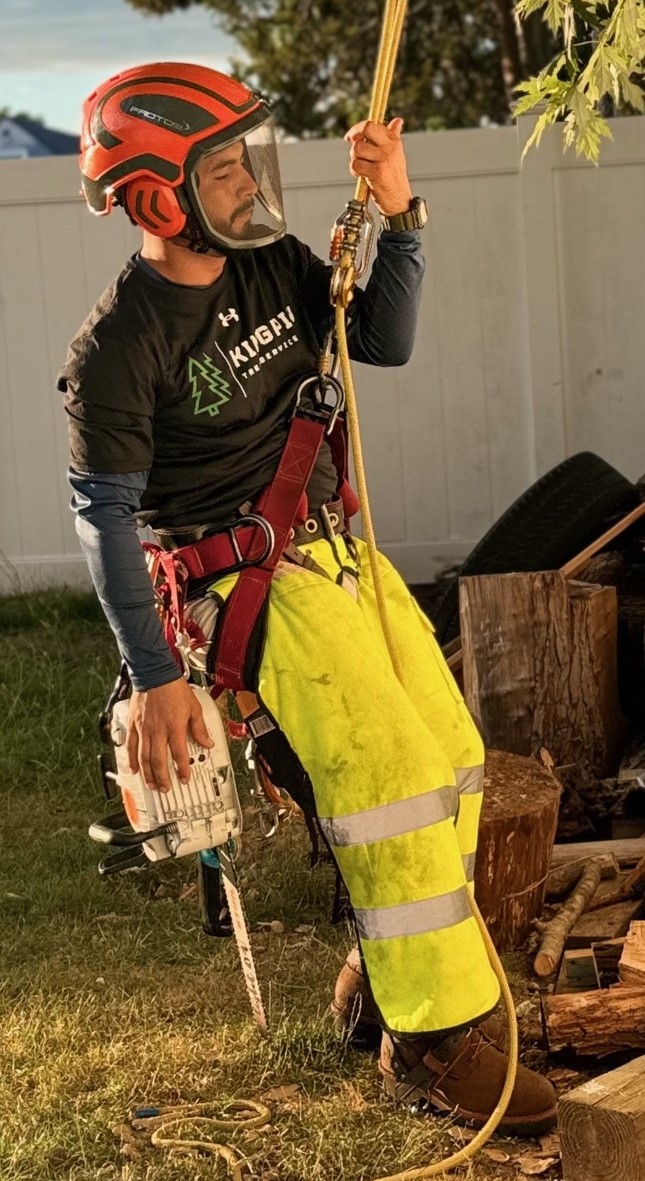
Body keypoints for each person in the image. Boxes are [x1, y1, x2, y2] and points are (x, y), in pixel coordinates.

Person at [59, 61, 556, 1134]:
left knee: (454, 762)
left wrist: (399, 218)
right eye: (225, 166)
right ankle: (433, 1043)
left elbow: (382, 336)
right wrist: (155, 678)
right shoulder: (117, 348)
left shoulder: (272, 262)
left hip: (335, 553)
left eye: (248, 157)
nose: (250, 181)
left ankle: (380, 978)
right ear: (156, 198)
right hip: (247, 581)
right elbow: (103, 514)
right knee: (393, 777)